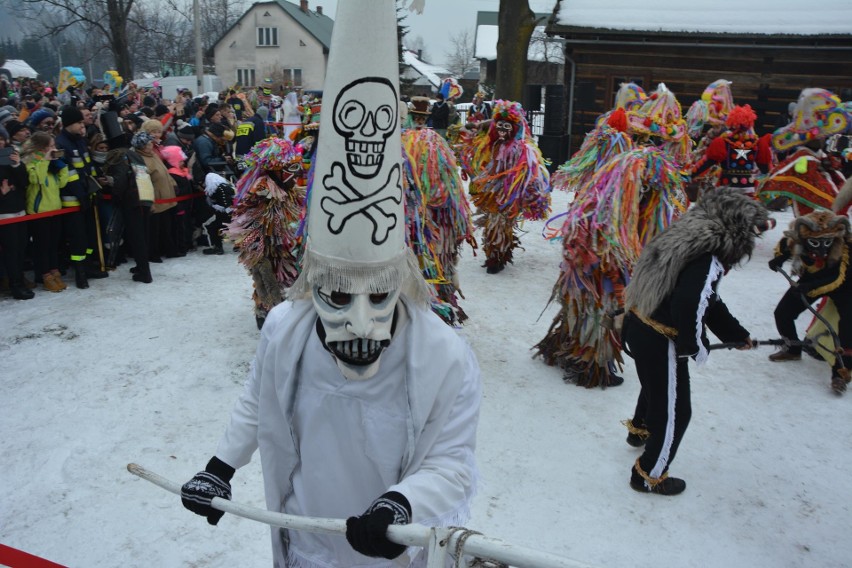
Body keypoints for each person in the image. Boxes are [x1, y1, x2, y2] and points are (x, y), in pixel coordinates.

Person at [180, 2, 481, 566]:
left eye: (379, 297)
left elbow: (452, 461)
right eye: (339, 297)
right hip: (304, 545)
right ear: (312, 286)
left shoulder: (444, 358)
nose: (362, 322)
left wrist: (400, 504)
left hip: (387, 552)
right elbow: (258, 400)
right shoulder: (285, 329)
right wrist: (220, 467)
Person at [621, 188, 772, 495]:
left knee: (656, 388)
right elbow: (690, 302)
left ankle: (640, 433)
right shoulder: (709, 256)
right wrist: (694, 345)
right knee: (676, 410)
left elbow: (708, 300)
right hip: (659, 335)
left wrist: (736, 335)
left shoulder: (687, 235)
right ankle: (649, 474)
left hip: (638, 322)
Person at [766, 210, 852, 394]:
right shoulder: (799, 239)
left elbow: (837, 277)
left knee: (848, 327)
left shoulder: (844, 249)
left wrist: (807, 287)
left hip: (845, 285)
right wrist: (779, 258)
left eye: (827, 243)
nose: (821, 249)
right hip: (810, 281)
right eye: (815, 243)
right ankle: (792, 348)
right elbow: (785, 245)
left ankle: (840, 374)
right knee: (783, 313)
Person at [56, 104, 109, 288]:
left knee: (89, 235)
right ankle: (79, 272)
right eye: (78, 122)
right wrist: (82, 194)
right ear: (69, 123)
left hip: (87, 195)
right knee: (77, 237)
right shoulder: (61, 143)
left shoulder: (80, 140)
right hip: (72, 200)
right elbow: (69, 174)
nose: (82, 125)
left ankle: (88, 266)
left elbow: (88, 166)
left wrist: (96, 185)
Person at [22, 131, 69, 292]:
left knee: (53, 245)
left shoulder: (52, 163)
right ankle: (45, 275)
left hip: (55, 209)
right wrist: (44, 161)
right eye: (50, 146)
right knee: (42, 246)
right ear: (41, 148)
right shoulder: (31, 161)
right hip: (39, 211)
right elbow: (37, 180)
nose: (53, 148)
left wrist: (62, 167)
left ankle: (54, 272)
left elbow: (62, 184)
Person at [0, 128, 33, 299]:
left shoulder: (10, 157)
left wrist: (17, 165)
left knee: (21, 248)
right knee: (11, 251)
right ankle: (14, 284)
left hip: (20, 210)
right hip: (4, 215)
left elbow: (24, 182)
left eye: (2, 139)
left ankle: (20, 279)